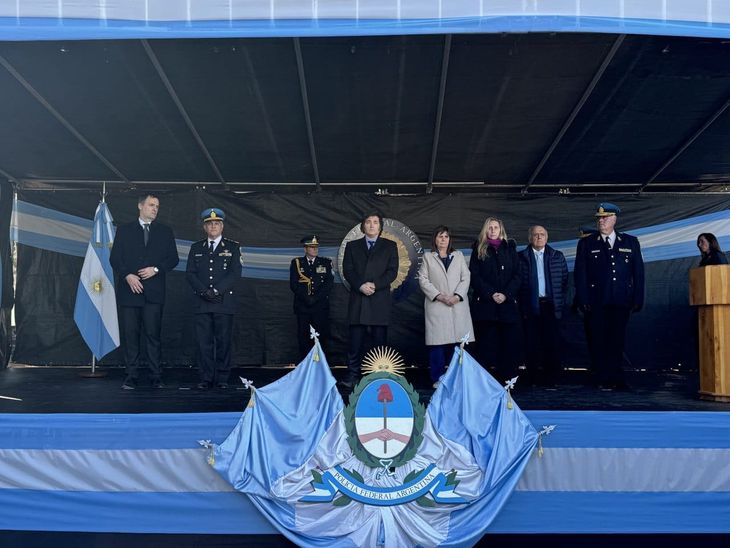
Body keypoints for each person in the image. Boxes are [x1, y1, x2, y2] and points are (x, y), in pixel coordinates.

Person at [110, 194, 179, 390]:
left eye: (157, 206)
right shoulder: (124, 230)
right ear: (140, 206)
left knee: (153, 335)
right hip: (129, 291)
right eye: (151, 205)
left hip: (154, 294)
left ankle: (155, 375)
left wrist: (156, 269)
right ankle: (131, 375)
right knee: (131, 336)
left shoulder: (165, 231)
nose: (155, 209)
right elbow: (115, 259)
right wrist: (127, 276)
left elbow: (173, 259)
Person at [574, 203, 644, 390]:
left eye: (605, 217)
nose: (601, 221)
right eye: (598, 218)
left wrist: (638, 298)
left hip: (621, 301)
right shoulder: (587, 243)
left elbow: (638, 273)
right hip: (596, 301)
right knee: (597, 340)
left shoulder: (630, 242)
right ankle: (599, 377)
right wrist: (583, 299)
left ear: (614, 219)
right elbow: (580, 274)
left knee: (617, 340)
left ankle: (616, 378)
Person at [185, 208, 241, 390]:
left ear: (222, 226)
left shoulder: (233, 247)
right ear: (204, 227)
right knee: (204, 343)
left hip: (223, 302)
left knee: (223, 342)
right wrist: (204, 292)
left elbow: (234, 274)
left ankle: (223, 377)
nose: (213, 226)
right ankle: (206, 377)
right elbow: (190, 274)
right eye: (210, 223)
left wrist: (217, 291)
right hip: (202, 303)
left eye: (216, 223)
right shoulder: (196, 248)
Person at [342, 213, 399, 389]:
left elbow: (392, 271)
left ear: (380, 227)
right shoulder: (352, 246)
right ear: (363, 226)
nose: (372, 225)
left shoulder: (390, 246)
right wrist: (360, 285)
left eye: (375, 222)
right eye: (368, 222)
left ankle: (378, 377)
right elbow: (348, 270)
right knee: (355, 342)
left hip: (379, 299)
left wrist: (375, 285)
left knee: (379, 342)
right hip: (358, 299)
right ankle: (353, 376)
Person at [418, 225, 474, 387]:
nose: (443, 239)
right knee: (438, 344)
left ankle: (458, 377)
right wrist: (440, 296)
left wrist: (457, 296)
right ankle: (438, 378)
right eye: (440, 236)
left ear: (450, 240)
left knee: (459, 344)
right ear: (435, 239)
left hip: (457, 306)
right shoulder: (428, 257)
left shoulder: (458, 256)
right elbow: (423, 279)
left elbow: (466, 277)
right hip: (437, 306)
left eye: (446, 236)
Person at [468, 217, 522, 380]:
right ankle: (485, 383)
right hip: (486, 308)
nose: (492, 230)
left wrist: (506, 294)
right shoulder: (478, 249)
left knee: (508, 347)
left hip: (507, 308)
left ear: (501, 230)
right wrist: (491, 293)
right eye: (489, 228)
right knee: (485, 347)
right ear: (486, 230)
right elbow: (475, 277)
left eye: (495, 227)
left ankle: (507, 382)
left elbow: (517, 275)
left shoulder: (510, 249)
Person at [518, 225, 568, 387]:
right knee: (531, 344)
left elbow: (564, 282)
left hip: (551, 307)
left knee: (551, 344)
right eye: (535, 235)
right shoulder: (520, 257)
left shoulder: (557, 256)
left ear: (547, 237)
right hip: (530, 307)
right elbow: (517, 284)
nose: (539, 237)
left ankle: (551, 380)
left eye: (542, 234)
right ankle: (532, 379)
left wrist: (559, 302)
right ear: (529, 238)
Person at [289, 235, 334, 361]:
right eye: (311, 247)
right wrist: (307, 298)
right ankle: (305, 365)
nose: (315, 249)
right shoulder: (297, 263)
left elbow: (328, 284)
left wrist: (315, 298)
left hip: (320, 307)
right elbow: (294, 284)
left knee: (321, 336)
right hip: (303, 307)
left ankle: (320, 365)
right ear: (305, 249)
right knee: (303, 337)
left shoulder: (325, 262)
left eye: (316, 247)